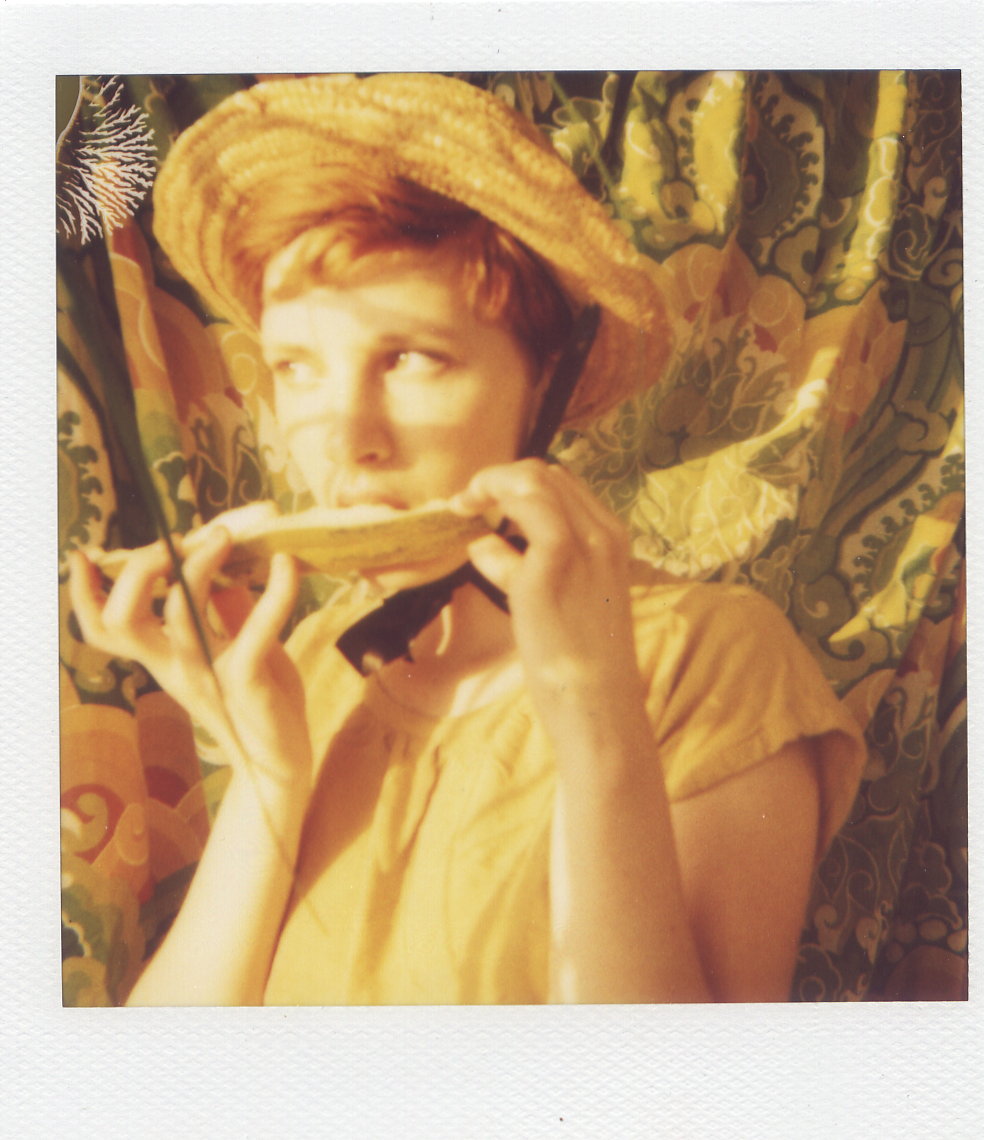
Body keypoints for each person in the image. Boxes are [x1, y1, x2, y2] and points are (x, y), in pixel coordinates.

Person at [68, 73, 865, 1005]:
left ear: (545, 381)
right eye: (298, 367)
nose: (346, 438)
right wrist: (266, 772)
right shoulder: (317, 657)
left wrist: (595, 715)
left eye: (410, 357)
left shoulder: (714, 659)